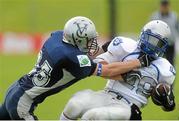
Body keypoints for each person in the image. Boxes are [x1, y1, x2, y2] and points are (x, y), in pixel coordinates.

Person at [0, 16, 150, 120]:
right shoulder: (73, 58)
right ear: (79, 40)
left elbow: (81, 54)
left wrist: (106, 48)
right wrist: (138, 63)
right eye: (90, 40)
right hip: (23, 102)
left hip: (15, 90)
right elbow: (107, 70)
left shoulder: (58, 37)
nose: (93, 43)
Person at [60, 20, 176, 120]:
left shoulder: (165, 68)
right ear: (142, 35)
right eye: (150, 39)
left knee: (93, 116)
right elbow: (98, 65)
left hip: (129, 107)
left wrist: (167, 101)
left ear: (164, 46)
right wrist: (125, 71)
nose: (152, 45)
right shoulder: (126, 47)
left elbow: (165, 101)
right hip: (107, 94)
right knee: (74, 105)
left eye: (157, 43)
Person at [150, 0, 179, 65]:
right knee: (158, 62)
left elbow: (178, 28)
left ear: (169, 6)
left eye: (166, 6)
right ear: (160, 6)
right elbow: (150, 29)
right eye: (163, 6)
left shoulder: (174, 16)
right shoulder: (154, 16)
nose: (165, 7)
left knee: (171, 62)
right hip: (159, 44)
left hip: (170, 43)